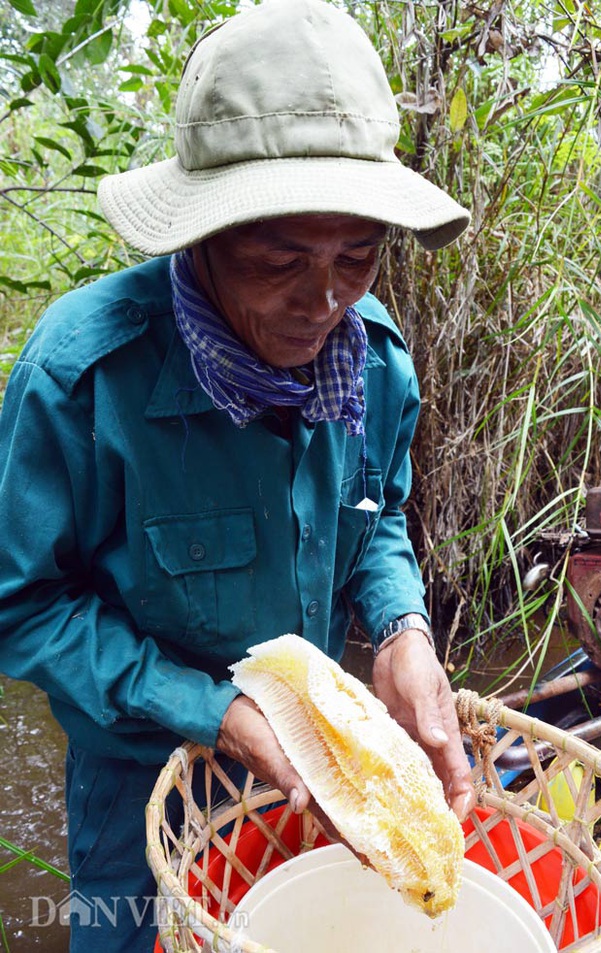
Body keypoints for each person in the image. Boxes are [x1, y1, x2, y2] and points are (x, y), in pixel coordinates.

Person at [0, 0, 475, 950]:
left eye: (358, 257)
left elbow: (375, 514)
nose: (325, 301)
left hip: (312, 768)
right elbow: (23, 606)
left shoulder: (374, 366)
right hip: (136, 783)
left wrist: (400, 627)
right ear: (205, 240)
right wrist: (208, 712)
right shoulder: (83, 379)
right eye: (278, 261)